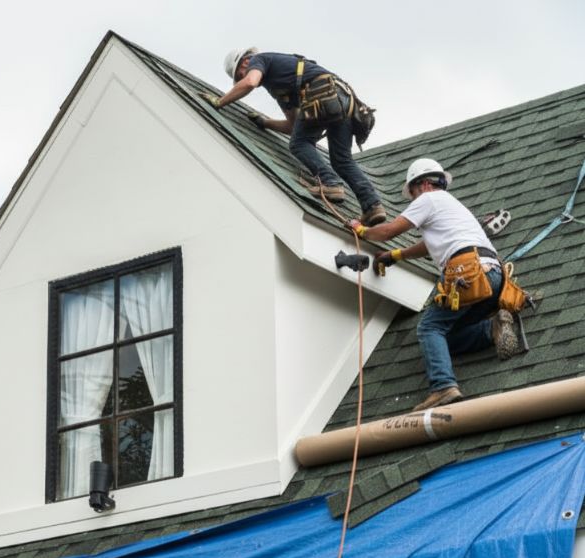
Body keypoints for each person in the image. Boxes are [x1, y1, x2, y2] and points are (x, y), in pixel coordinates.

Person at [345, 158, 523, 410]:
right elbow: (429, 245)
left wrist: (360, 229)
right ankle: (491, 328)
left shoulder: (427, 199)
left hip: (467, 274)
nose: (413, 199)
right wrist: (396, 255)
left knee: (429, 329)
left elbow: (387, 232)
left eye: (413, 192)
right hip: (493, 277)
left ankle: (443, 387)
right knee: (443, 337)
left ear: (425, 184)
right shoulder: (453, 208)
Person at [201, 48, 386, 226]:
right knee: (341, 160)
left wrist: (220, 101)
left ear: (246, 61)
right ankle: (373, 206)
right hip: (341, 100)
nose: (242, 78)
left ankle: (330, 183)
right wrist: (265, 123)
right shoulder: (282, 86)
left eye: (240, 74)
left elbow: (250, 82)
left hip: (324, 95)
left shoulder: (260, 60)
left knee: (299, 144)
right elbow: (292, 125)